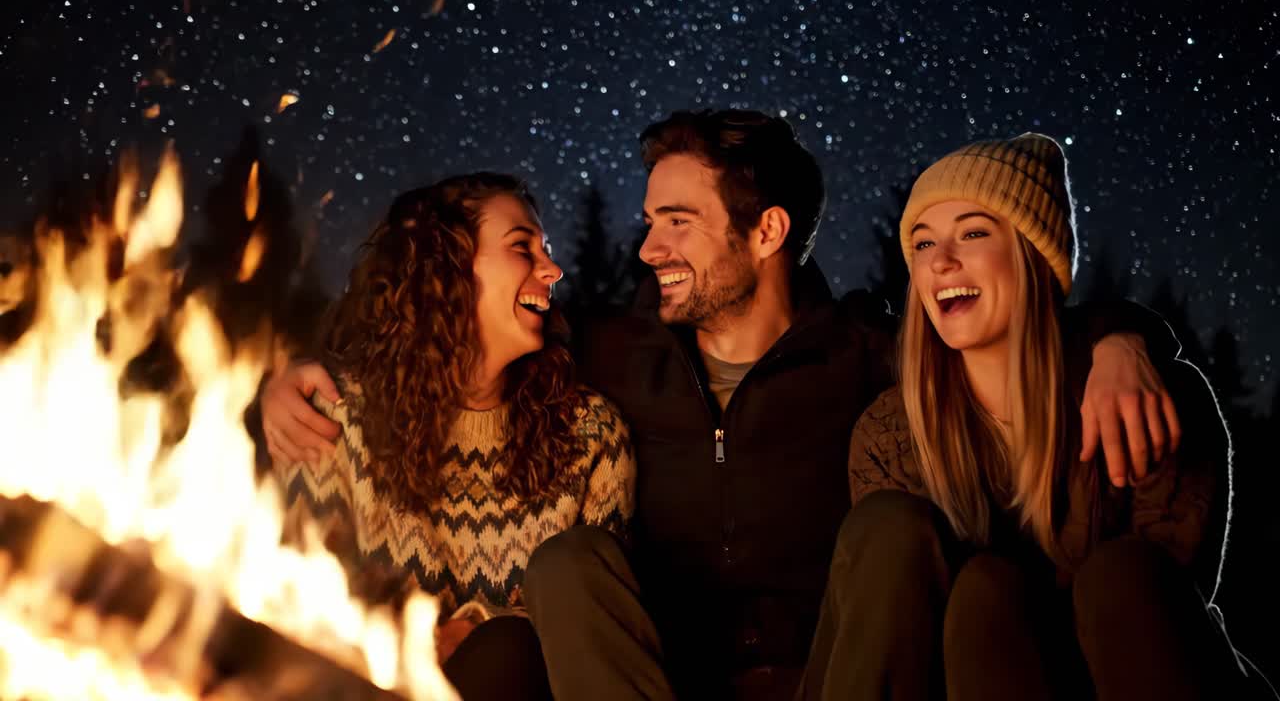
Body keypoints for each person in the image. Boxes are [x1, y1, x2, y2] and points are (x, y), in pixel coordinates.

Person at [263, 112, 1182, 700]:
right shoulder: (616, 355)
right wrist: (291, 378)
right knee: (572, 558)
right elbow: (448, 326)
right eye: (649, 218)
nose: (647, 245)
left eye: (678, 221)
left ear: (767, 231)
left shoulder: (865, 354)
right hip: (667, 685)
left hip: (826, 682)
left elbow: (988, 313)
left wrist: (1114, 336)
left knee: (895, 527)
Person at [799, 133, 1235, 701]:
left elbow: (1162, 610)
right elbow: (898, 624)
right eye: (923, 244)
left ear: (1034, 253)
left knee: (1117, 576)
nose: (941, 262)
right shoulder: (891, 434)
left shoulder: (1142, 397)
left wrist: (1124, 338)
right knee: (975, 583)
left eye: (974, 233)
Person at [269, 172, 635, 701]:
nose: (552, 270)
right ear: (447, 270)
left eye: (547, 250)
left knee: (508, 649)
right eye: (521, 248)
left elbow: (600, 640)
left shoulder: (592, 435)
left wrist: (480, 630)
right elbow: (301, 608)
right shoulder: (334, 420)